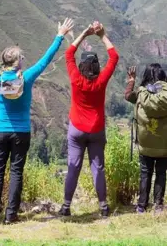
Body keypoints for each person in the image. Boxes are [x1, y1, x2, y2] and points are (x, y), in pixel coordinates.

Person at [0, 19, 74, 224]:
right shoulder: (26, 78)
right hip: (21, 132)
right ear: (17, 62)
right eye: (21, 57)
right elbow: (45, 60)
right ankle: (11, 214)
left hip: (0, 131)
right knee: (16, 172)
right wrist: (59, 36)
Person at [59, 21, 119, 218]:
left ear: (81, 67)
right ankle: (103, 206)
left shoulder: (76, 80)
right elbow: (114, 57)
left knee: (73, 166)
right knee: (97, 167)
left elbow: (68, 54)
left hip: (76, 129)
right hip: (96, 129)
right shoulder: (101, 82)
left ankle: (66, 206)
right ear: (97, 67)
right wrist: (102, 35)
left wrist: (84, 34)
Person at [125, 43, 167, 213]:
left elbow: (127, 96)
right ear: (162, 77)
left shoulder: (140, 94)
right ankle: (158, 205)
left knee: (145, 172)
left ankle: (141, 206)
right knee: (161, 173)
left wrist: (131, 81)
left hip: (145, 143)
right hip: (165, 144)